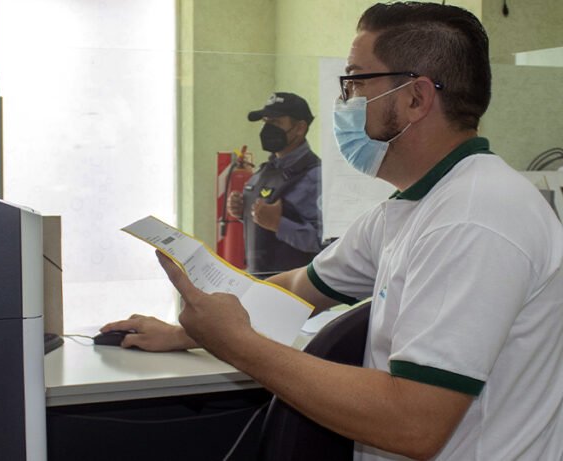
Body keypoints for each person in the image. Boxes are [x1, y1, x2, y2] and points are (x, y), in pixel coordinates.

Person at [103, 2, 563, 460]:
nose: (344, 102)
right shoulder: (412, 206)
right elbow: (298, 289)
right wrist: (191, 331)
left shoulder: (474, 218)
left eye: (356, 82)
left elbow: (414, 423)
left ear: (416, 99)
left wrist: (239, 344)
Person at [227, 92, 323, 276]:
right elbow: (261, 222)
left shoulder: (316, 176)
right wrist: (242, 212)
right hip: (259, 282)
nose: (267, 128)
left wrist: (279, 224)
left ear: (300, 128)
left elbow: (327, 244)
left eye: (276, 122)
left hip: (296, 289)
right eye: (266, 122)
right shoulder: (264, 171)